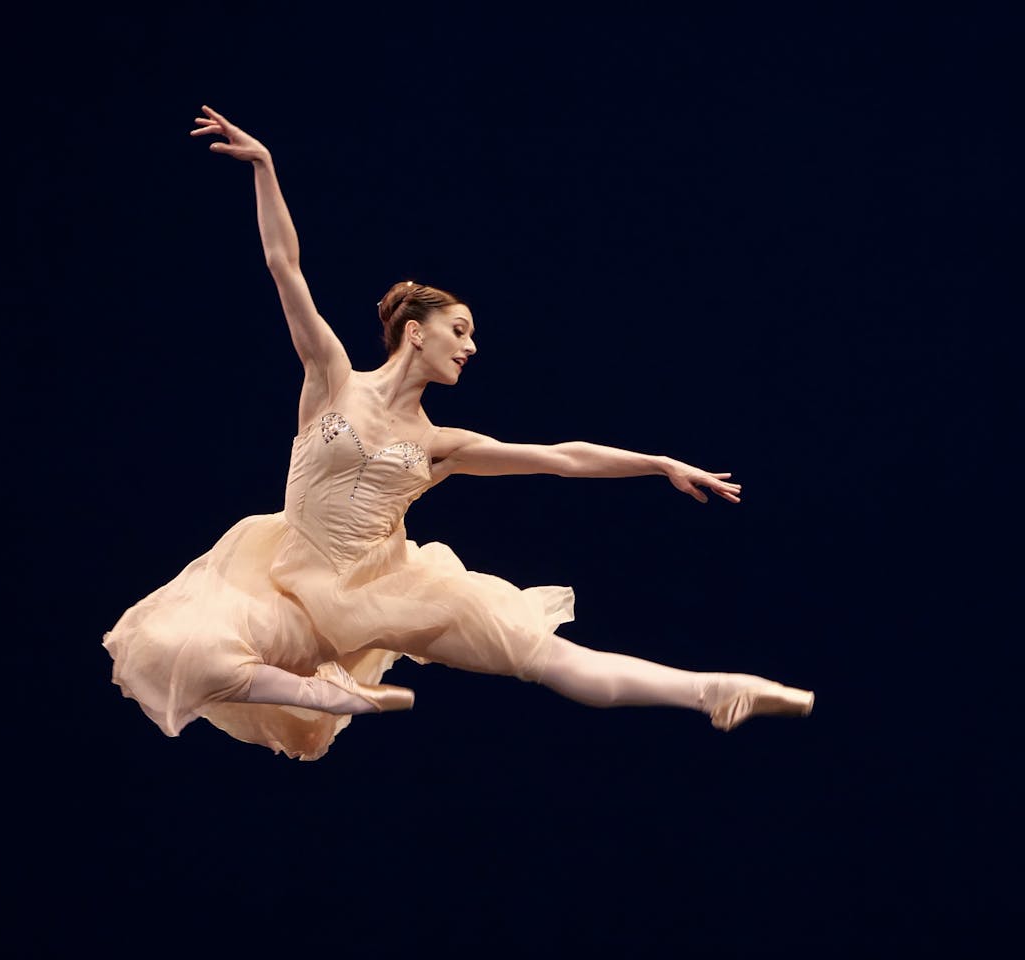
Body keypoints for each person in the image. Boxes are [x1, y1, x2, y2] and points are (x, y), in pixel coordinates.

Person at [101, 105, 814, 761]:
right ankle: (325, 693)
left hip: (391, 587)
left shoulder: (444, 445)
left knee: (548, 657)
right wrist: (266, 168)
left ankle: (713, 688)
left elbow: (562, 458)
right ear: (415, 332)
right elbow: (284, 267)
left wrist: (658, 462)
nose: (471, 347)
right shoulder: (331, 378)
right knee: (174, 650)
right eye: (460, 330)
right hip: (291, 585)